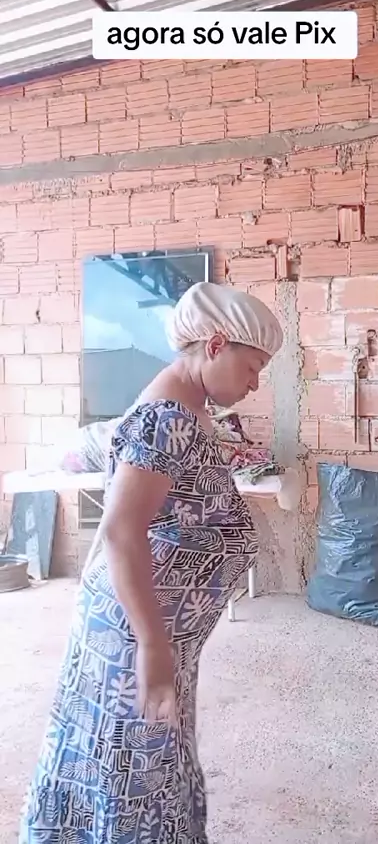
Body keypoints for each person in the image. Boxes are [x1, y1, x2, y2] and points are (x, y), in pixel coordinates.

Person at [20, 281, 283, 844]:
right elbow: (122, 531)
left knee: (148, 764)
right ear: (216, 345)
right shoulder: (166, 418)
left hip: (154, 631)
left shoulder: (187, 409)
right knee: (130, 771)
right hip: (134, 633)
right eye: (253, 367)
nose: (255, 384)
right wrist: (152, 644)